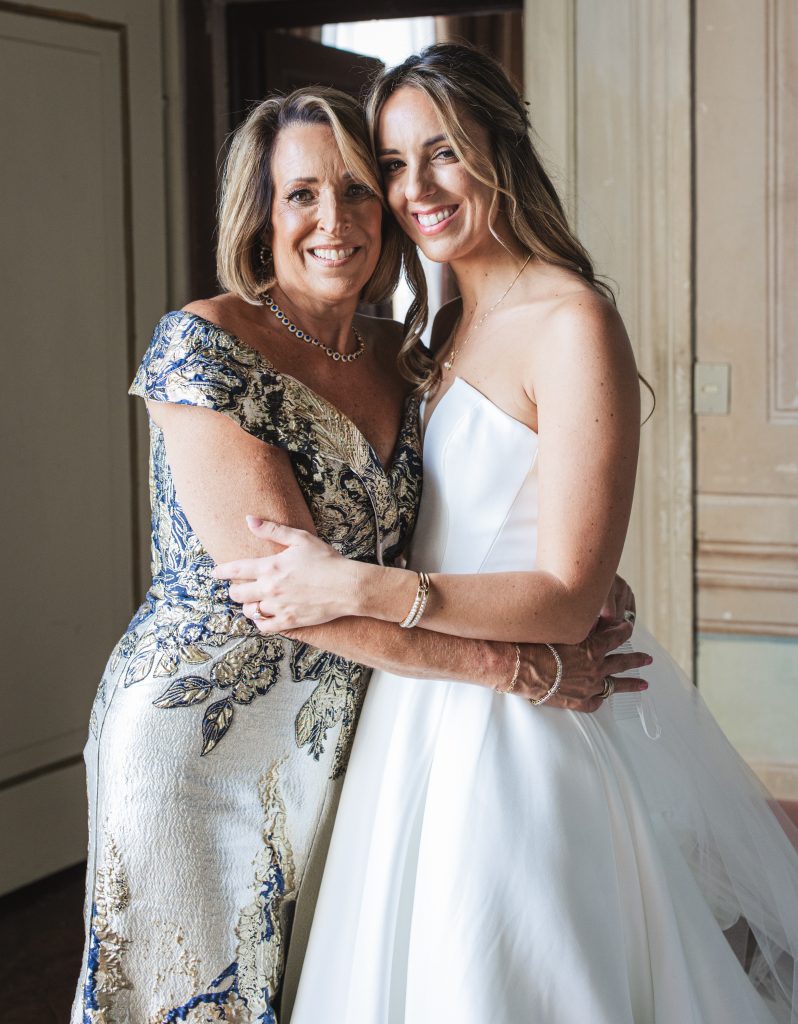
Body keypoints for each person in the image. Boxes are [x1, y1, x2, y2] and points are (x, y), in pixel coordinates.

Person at [216, 46, 798, 1023]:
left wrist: (356, 585)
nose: (416, 190)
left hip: (525, 726)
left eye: (442, 153)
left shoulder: (572, 319)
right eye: (392, 168)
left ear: (500, 148)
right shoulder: (431, 331)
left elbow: (570, 591)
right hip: (419, 700)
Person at [71, 85, 647, 1024]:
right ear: (260, 217)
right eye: (302, 195)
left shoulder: (405, 353)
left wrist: (579, 565)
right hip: (204, 740)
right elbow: (299, 600)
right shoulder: (205, 346)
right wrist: (518, 665)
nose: (333, 220)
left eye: (356, 189)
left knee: (328, 985)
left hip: (354, 729)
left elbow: (451, 512)